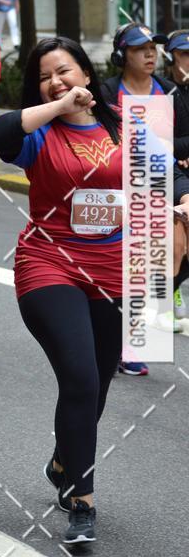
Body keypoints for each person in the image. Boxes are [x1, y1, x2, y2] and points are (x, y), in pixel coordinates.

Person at [0, 35, 189, 544]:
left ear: (86, 73)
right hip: (49, 264)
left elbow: (165, 177)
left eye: (64, 71)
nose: (56, 81)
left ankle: (63, 461)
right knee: (79, 376)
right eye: (45, 77)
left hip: (117, 270)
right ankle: (82, 499)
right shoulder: (38, 132)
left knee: (95, 384)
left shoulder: (127, 124)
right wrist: (58, 106)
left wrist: (183, 204)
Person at [102, 21, 170, 368]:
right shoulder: (107, 92)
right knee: (114, 269)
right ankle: (109, 343)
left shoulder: (170, 91)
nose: (149, 55)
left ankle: (132, 346)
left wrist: (171, 150)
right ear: (121, 56)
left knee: (146, 270)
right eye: (140, 49)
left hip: (156, 192)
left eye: (152, 48)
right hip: (114, 192)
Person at [163, 30, 189, 321]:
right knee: (176, 247)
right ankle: (166, 296)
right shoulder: (160, 90)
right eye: (184, 54)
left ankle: (171, 287)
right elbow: (160, 141)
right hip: (167, 176)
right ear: (171, 58)